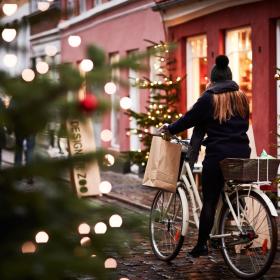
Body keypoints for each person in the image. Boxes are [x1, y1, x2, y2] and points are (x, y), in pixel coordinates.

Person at [159, 55, 251, 258]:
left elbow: (188, 120)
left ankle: (201, 245)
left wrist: (170, 129)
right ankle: (222, 235)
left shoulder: (209, 98)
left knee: (209, 200)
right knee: (226, 193)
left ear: (213, 79)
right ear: (230, 77)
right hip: (242, 152)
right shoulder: (242, 97)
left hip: (218, 154)